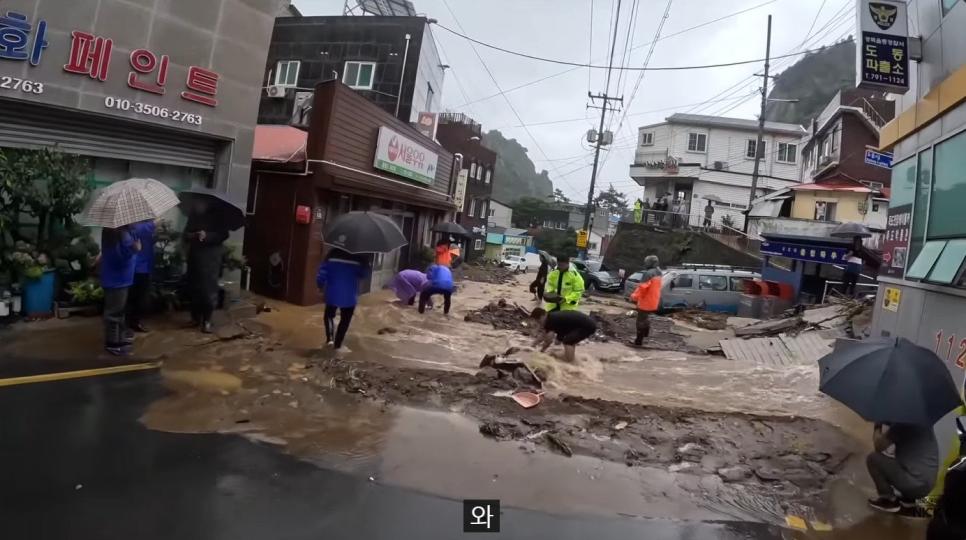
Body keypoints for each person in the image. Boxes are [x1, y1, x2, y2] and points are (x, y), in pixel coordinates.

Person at [867, 422, 938, 514]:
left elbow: (878, 446)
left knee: (873, 459)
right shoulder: (925, 425)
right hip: (928, 484)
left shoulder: (902, 425)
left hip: (914, 484)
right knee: (905, 461)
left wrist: (877, 426)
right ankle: (909, 500)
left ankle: (889, 500)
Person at [184, 205, 230, 333]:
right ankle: (195, 318)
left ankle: (207, 320)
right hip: (194, 257)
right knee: (193, 288)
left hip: (211, 260)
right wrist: (194, 235)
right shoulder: (194, 215)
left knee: (208, 290)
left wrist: (207, 235)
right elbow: (185, 235)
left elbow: (224, 235)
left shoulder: (219, 216)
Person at [100, 225, 141, 356]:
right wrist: (135, 249)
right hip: (116, 280)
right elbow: (118, 257)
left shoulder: (123, 232)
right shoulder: (115, 234)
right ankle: (112, 343)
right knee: (113, 313)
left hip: (122, 279)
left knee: (119, 311)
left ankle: (119, 339)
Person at [316, 249, 368, 351]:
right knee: (345, 320)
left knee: (329, 316)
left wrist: (320, 285)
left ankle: (330, 340)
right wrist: (365, 264)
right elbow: (364, 275)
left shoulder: (332, 254)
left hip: (332, 292)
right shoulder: (359, 257)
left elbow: (322, 273)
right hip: (349, 295)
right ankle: (338, 345)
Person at [529, 307, 597, 363]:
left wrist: (541, 351)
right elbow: (544, 334)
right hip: (580, 325)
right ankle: (572, 359)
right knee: (567, 341)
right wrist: (532, 345)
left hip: (586, 326)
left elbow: (549, 341)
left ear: (543, 315)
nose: (538, 323)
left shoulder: (551, 320)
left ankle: (570, 364)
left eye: (538, 320)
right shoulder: (550, 317)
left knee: (567, 342)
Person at [127, 219, 155, 332]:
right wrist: (153, 225)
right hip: (135, 266)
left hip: (146, 264)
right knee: (131, 296)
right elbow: (136, 231)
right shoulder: (132, 224)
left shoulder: (148, 223)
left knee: (141, 297)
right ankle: (127, 324)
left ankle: (136, 321)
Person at [630, 255, 662, 346]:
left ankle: (638, 341)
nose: (645, 263)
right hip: (653, 300)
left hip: (645, 301)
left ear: (651, 263)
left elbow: (642, 289)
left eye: (646, 262)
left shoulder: (648, 274)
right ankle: (645, 333)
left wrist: (634, 296)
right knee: (645, 318)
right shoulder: (659, 272)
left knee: (640, 321)